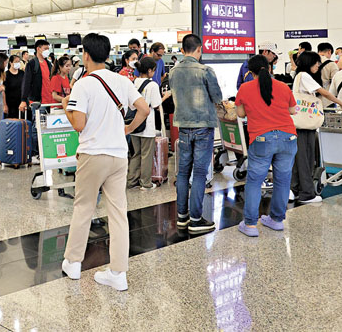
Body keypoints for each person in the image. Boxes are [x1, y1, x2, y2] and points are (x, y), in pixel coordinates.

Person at [61, 33, 148, 292]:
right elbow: (144, 109)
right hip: (118, 155)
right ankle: (118, 273)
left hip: (93, 154)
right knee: (118, 212)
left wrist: (66, 107)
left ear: (86, 55)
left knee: (84, 207)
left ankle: (73, 263)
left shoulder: (83, 84)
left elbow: (79, 124)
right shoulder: (121, 80)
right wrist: (128, 128)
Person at [235, 54, 299, 237]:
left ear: (250, 72)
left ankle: (250, 225)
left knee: (255, 181)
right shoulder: (282, 86)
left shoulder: (245, 88)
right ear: (269, 68)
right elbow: (292, 110)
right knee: (283, 180)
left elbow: (240, 113)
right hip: (288, 137)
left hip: (261, 138)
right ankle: (276, 220)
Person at [169, 34, 223, 233]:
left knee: (183, 172)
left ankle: (182, 217)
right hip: (203, 126)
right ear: (199, 49)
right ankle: (196, 219)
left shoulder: (173, 72)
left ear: (183, 50)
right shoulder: (205, 71)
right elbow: (217, 96)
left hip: (183, 127)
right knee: (199, 173)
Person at [292, 51, 342, 204]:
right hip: (305, 124)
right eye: (316, 62)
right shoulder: (304, 76)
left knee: (300, 158)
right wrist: (341, 103)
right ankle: (307, 193)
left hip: (299, 123)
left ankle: (295, 189)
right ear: (309, 62)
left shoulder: (298, 76)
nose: (318, 65)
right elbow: (324, 93)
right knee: (306, 158)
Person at [128, 56, 164, 190]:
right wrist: (165, 96)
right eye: (154, 70)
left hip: (133, 124)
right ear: (149, 70)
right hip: (147, 125)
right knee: (146, 155)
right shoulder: (152, 85)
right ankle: (146, 183)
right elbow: (156, 104)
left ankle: (132, 181)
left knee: (136, 154)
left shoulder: (133, 83)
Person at [21, 39, 54, 111]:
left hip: (50, 101)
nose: (47, 51)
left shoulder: (49, 64)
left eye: (48, 49)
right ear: (38, 49)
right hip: (37, 102)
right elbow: (26, 82)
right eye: (45, 49)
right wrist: (23, 100)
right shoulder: (32, 64)